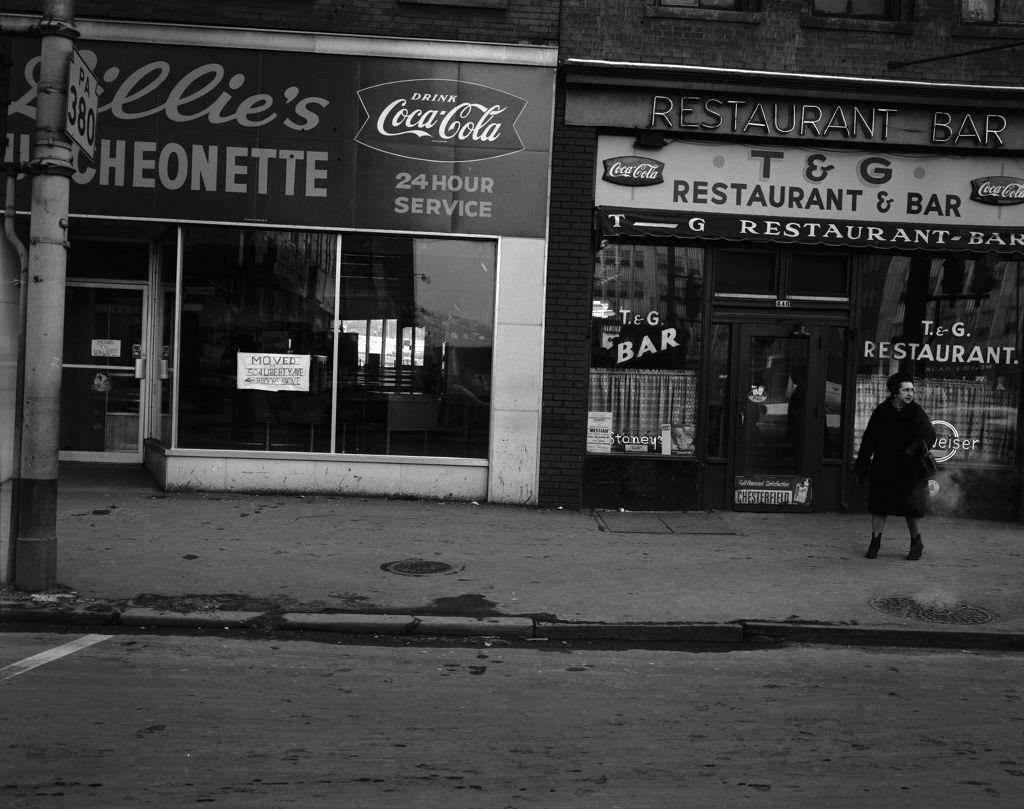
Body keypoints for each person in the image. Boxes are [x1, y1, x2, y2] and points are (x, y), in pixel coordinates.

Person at [854, 372, 936, 561]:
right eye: (905, 390)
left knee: (912, 508)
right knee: (879, 506)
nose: (910, 393)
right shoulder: (881, 412)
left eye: (912, 390)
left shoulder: (916, 411)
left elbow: (930, 435)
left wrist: (916, 448)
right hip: (885, 466)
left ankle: (916, 542)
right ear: (894, 392)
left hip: (910, 468)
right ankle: (875, 542)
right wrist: (862, 463)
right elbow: (869, 439)